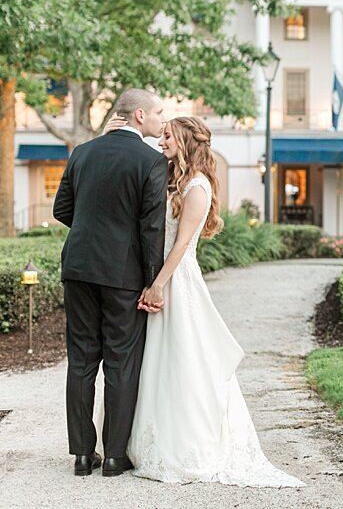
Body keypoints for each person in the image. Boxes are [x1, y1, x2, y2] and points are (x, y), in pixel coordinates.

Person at [100, 114, 305, 487]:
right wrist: (112, 136)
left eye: (167, 136)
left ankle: (189, 444)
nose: (161, 141)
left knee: (184, 359)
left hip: (177, 282)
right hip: (157, 278)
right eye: (160, 135)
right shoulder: (168, 179)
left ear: (185, 141)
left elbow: (180, 246)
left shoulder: (197, 187)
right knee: (157, 361)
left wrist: (159, 285)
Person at [52, 89, 167, 477]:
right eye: (158, 113)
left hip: (79, 266)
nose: (162, 120)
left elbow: (62, 209)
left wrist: (92, 237)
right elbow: (152, 230)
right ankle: (115, 455)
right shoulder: (151, 161)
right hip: (123, 275)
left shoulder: (82, 152)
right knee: (121, 361)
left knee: (81, 359)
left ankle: (82, 455)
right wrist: (153, 283)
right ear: (138, 116)